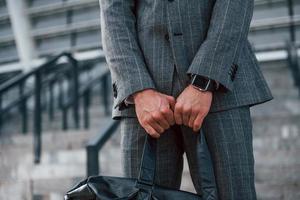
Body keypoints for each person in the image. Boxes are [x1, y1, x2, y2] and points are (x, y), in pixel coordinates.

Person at [99, 0, 273, 199]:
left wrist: (204, 80)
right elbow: (113, 13)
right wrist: (139, 90)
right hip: (145, 102)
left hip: (220, 91)